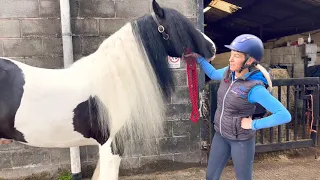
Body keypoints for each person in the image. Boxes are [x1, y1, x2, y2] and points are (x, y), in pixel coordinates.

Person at [185, 34, 291, 180]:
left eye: (236, 56)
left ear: (250, 60)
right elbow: (212, 73)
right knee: (210, 177)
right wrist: (197, 58)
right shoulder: (228, 72)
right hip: (221, 135)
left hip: (241, 140)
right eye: (231, 54)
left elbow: (284, 114)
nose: (230, 59)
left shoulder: (254, 88)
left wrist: (254, 124)